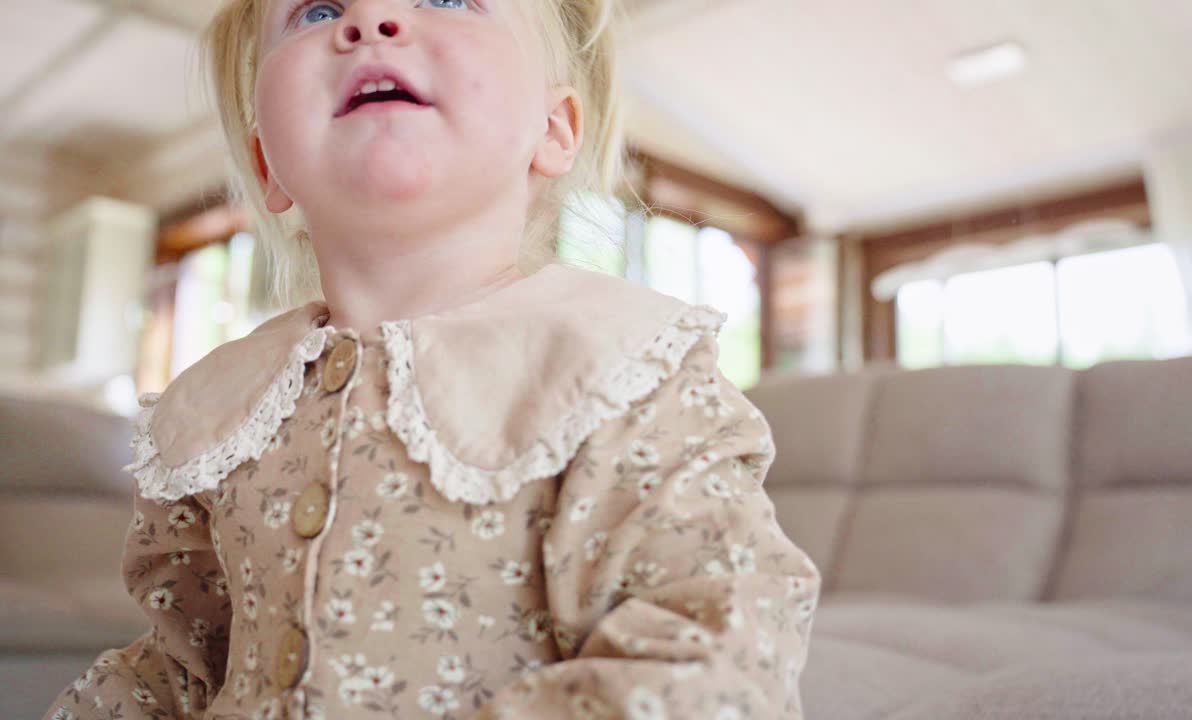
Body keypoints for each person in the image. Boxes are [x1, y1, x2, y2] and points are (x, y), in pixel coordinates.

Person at [42, 1, 821, 718]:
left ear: (553, 129)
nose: (372, 18)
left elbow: (714, 653)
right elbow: (179, 667)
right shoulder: (215, 411)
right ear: (268, 164)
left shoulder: (622, 367)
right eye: (316, 9)